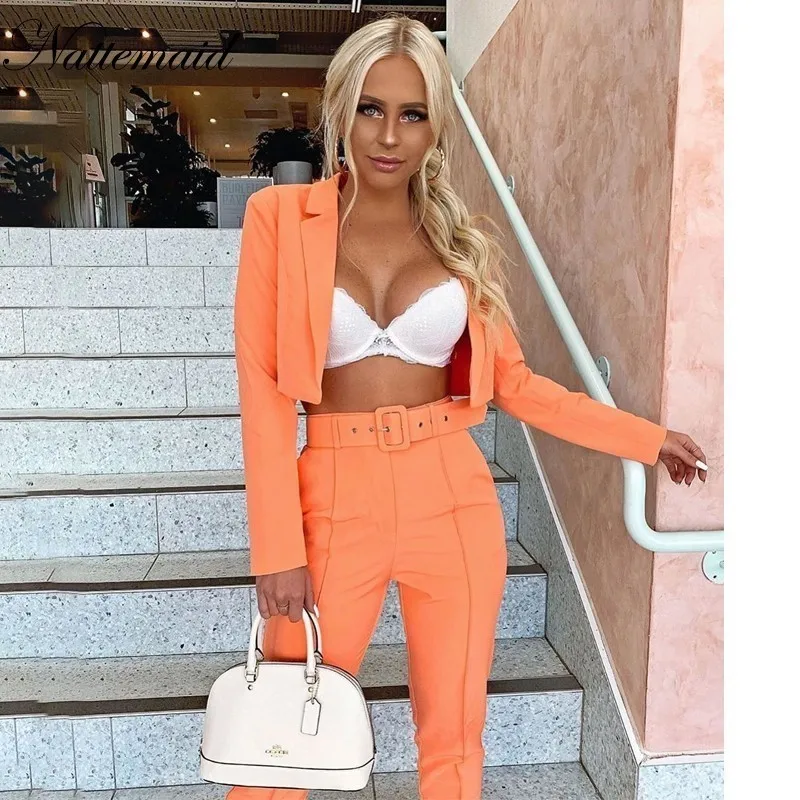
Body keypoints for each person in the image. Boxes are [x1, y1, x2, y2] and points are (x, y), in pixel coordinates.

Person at [226, 14, 707, 800]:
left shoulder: (459, 241)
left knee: (454, 739)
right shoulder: (279, 221)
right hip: (332, 498)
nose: (389, 135)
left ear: (436, 126)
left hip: (452, 494)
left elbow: (519, 385)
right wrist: (276, 549)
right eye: (371, 108)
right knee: (284, 737)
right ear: (340, 107)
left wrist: (645, 439)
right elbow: (263, 392)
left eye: (413, 113)